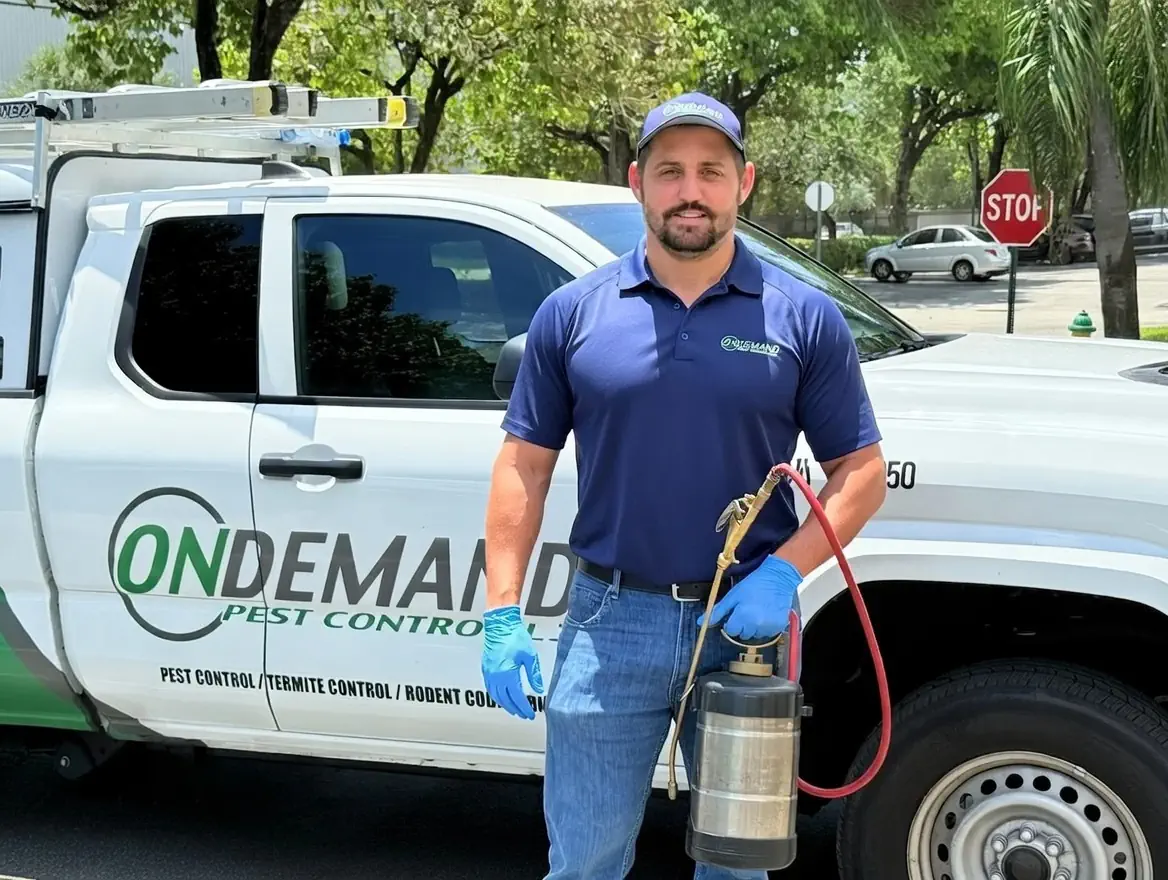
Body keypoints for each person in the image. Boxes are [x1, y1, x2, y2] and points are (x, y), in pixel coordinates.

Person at [479, 91, 888, 880]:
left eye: (710, 170)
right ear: (638, 182)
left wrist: (783, 571)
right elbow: (523, 465)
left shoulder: (803, 318)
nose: (689, 190)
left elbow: (860, 471)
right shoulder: (574, 314)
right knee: (586, 861)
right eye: (669, 171)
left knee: (737, 865)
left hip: (746, 636)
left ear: (745, 182)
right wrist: (501, 612)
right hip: (609, 621)